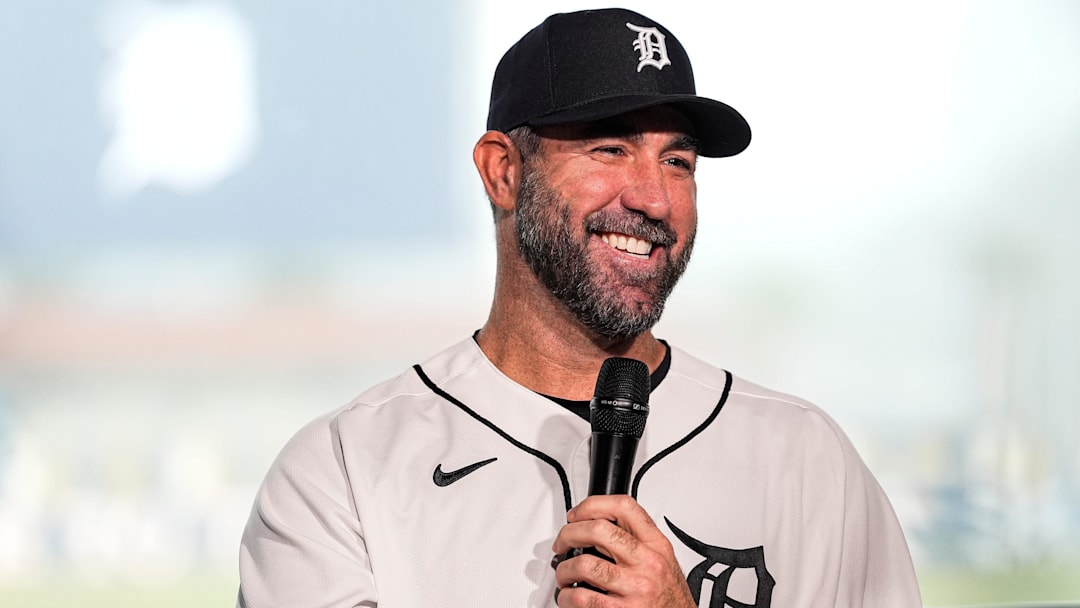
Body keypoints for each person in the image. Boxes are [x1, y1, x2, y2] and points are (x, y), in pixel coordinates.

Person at [237, 8, 921, 608]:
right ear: (503, 171)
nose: (654, 198)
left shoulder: (805, 458)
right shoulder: (343, 470)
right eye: (611, 148)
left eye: (677, 162)